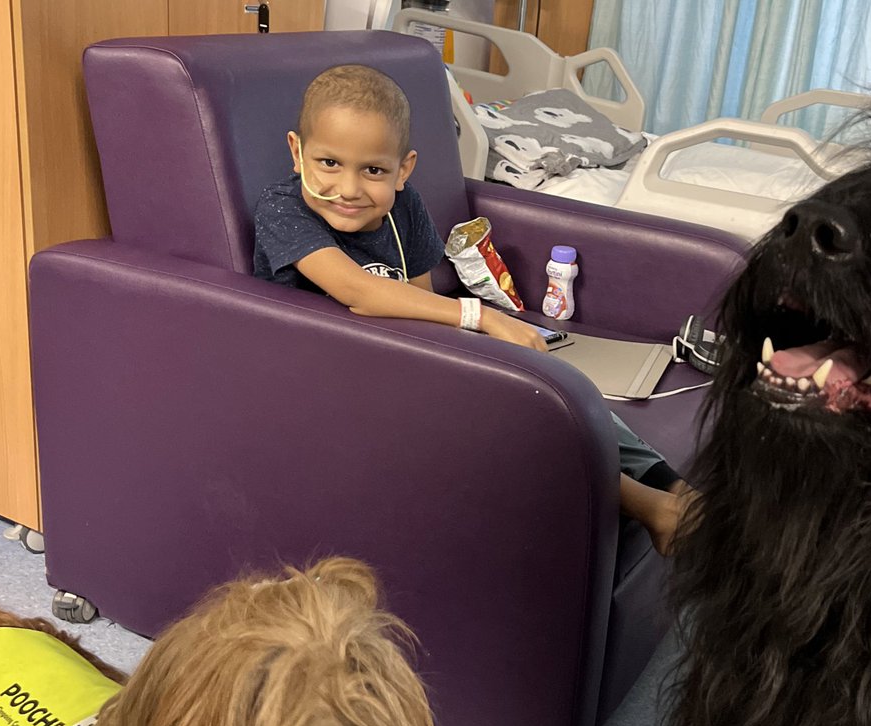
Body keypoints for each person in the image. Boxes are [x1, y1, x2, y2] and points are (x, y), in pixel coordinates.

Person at [252, 64, 691, 554]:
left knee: (561, 390)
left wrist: (480, 356)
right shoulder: (282, 209)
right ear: (297, 152)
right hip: (326, 381)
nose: (350, 189)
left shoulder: (403, 207)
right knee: (516, 418)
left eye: (373, 170)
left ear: (404, 168)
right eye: (328, 163)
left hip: (399, 362)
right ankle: (648, 507)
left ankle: (676, 491)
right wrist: (482, 317)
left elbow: (421, 303)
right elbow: (358, 291)